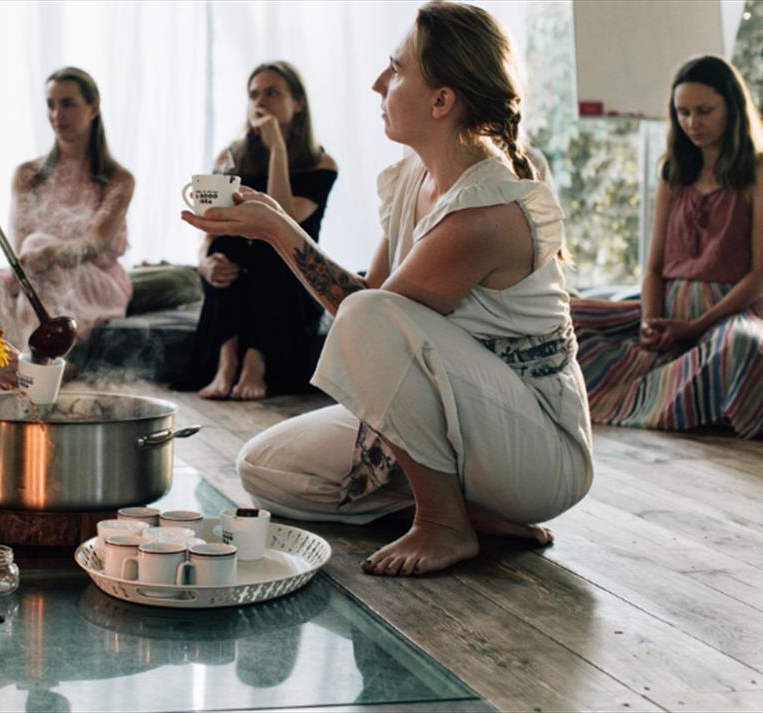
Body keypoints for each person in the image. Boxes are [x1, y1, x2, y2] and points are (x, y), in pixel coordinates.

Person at [181, 1, 593, 577]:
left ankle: (444, 522)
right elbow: (371, 293)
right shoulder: (413, 176)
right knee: (263, 468)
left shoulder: (486, 209)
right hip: (463, 418)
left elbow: (368, 314)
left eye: (396, 70)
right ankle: (472, 506)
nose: (378, 83)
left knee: (372, 317)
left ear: (441, 100)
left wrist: (278, 230)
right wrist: (277, 224)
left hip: (537, 451)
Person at [571, 56, 763, 438]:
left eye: (704, 111)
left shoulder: (756, 172)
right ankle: (684, 397)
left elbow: (760, 275)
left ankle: (682, 397)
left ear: (732, 108)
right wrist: (650, 323)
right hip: (668, 313)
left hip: (727, 316)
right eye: (683, 113)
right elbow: (654, 267)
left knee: (745, 346)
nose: (693, 123)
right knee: (567, 317)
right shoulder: (674, 173)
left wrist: (694, 326)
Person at [176, 61, 338, 400]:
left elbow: (284, 221)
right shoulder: (231, 156)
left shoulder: (320, 163)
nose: (259, 103)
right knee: (227, 248)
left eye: (272, 93)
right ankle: (227, 359)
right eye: (253, 95)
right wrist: (204, 263)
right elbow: (210, 227)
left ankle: (255, 362)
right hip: (237, 282)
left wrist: (277, 149)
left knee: (269, 244)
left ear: (298, 102)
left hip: (290, 285)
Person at [0, 67, 135, 355]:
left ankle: (31, 358)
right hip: (33, 273)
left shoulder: (118, 179)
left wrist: (50, 254)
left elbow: (95, 242)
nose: (57, 114)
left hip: (92, 280)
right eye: (51, 104)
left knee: (39, 245)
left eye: (68, 103)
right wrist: (31, 263)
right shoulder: (28, 174)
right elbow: (19, 242)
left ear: (94, 107)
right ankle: (32, 346)